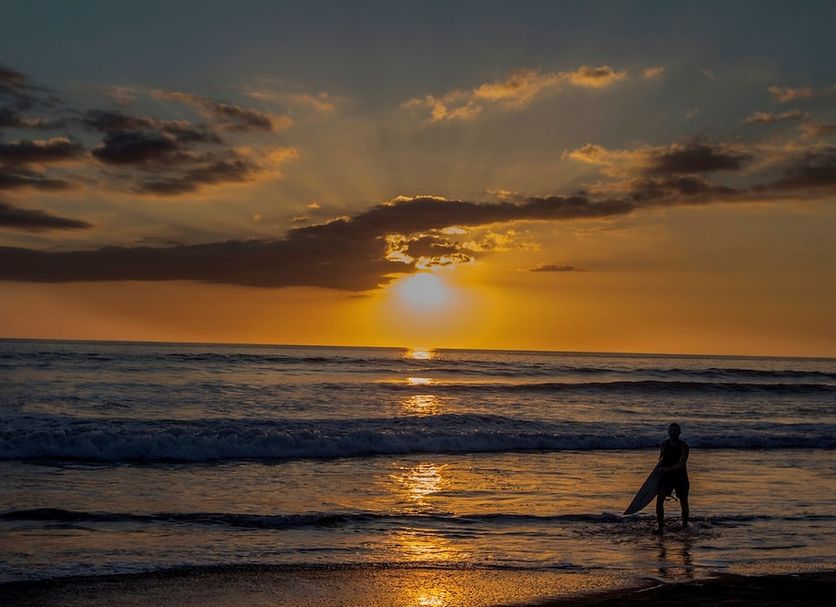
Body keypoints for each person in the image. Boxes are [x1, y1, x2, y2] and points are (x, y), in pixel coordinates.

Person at [654, 422, 689, 534]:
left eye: (675, 430)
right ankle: (660, 527)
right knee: (659, 501)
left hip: (680, 477)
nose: (673, 432)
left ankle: (684, 526)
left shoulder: (684, 446)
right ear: (668, 432)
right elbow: (661, 461)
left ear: (679, 433)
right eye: (671, 430)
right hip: (666, 478)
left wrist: (667, 469)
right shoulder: (664, 445)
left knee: (684, 502)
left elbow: (682, 464)